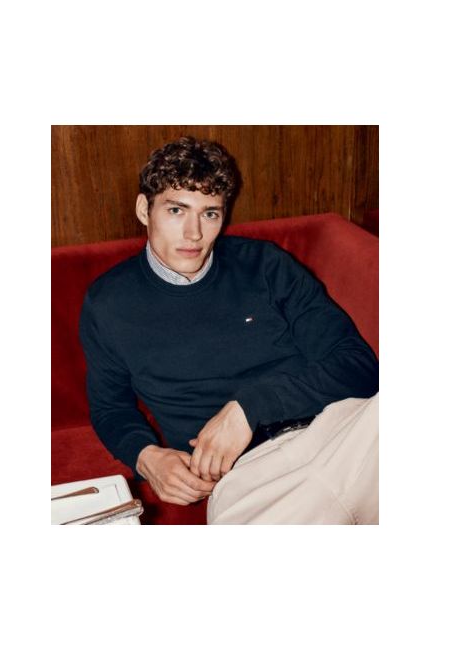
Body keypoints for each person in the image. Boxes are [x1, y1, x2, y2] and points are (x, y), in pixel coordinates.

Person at [79, 136, 379, 524]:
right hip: (248, 479)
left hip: (340, 436)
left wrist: (249, 408)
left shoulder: (266, 266)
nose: (193, 233)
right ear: (144, 209)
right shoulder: (109, 302)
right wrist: (146, 456)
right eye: (176, 210)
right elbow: (110, 407)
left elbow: (360, 366)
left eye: (210, 214)